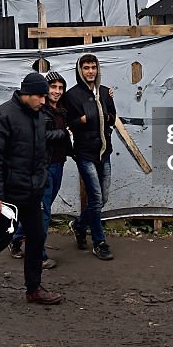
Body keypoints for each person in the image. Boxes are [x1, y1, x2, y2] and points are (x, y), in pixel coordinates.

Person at [0, 72, 63, 305]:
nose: (44, 101)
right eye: (40, 96)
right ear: (25, 93)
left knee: (36, 237)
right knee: (2, 237)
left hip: (33, 191)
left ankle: (33, 289)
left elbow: (40, 149)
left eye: (45, 97)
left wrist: (42, 175)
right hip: (8, 194)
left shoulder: (38, 115)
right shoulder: (3, 116)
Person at [10, 70, 72, 269]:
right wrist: (63, 133)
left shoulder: (62, 109)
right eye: (53, 87)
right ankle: (39, 255)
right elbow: (42, 135)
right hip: (44, 167)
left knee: (41, 209)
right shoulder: (40, 111)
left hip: (58, 164)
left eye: (60, 88)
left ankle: (16, 238)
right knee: (43, 213)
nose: (57, 91)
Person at [63, 53, 116, 260]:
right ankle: (99, 242)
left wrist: (105, 113)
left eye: (93, 67)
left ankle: (78, 225)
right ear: (80, 70)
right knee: (95, 198)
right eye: (86, 67)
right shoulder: (72, 95)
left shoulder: (104, 92)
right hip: (85, 152)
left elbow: (113, 117)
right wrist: (83, 119)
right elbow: (68, 122)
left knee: (103, 198)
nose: (90, 71)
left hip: (105, 151)